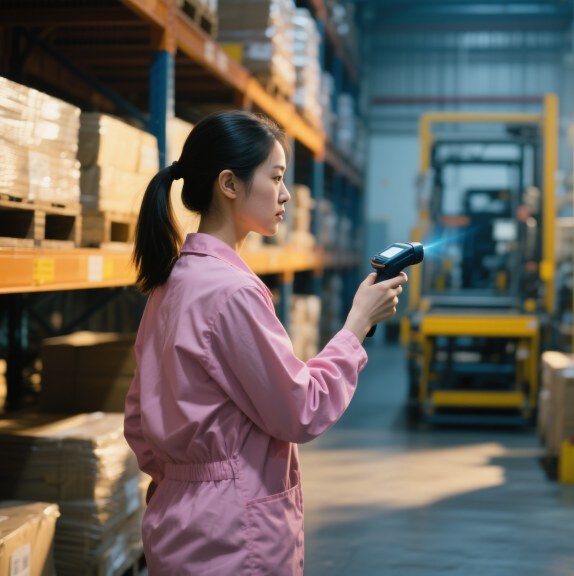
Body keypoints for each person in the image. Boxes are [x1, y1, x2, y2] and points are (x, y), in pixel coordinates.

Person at [125, 110, 406, 575]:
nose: (286, 194)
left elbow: (138, 421)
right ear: (229, 184)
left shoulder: (169, 283)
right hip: (232, 535)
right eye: (274, 177)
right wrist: (356, 325)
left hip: (174, 521)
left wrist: (180, 479)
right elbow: (301, 409)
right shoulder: (232, 291)